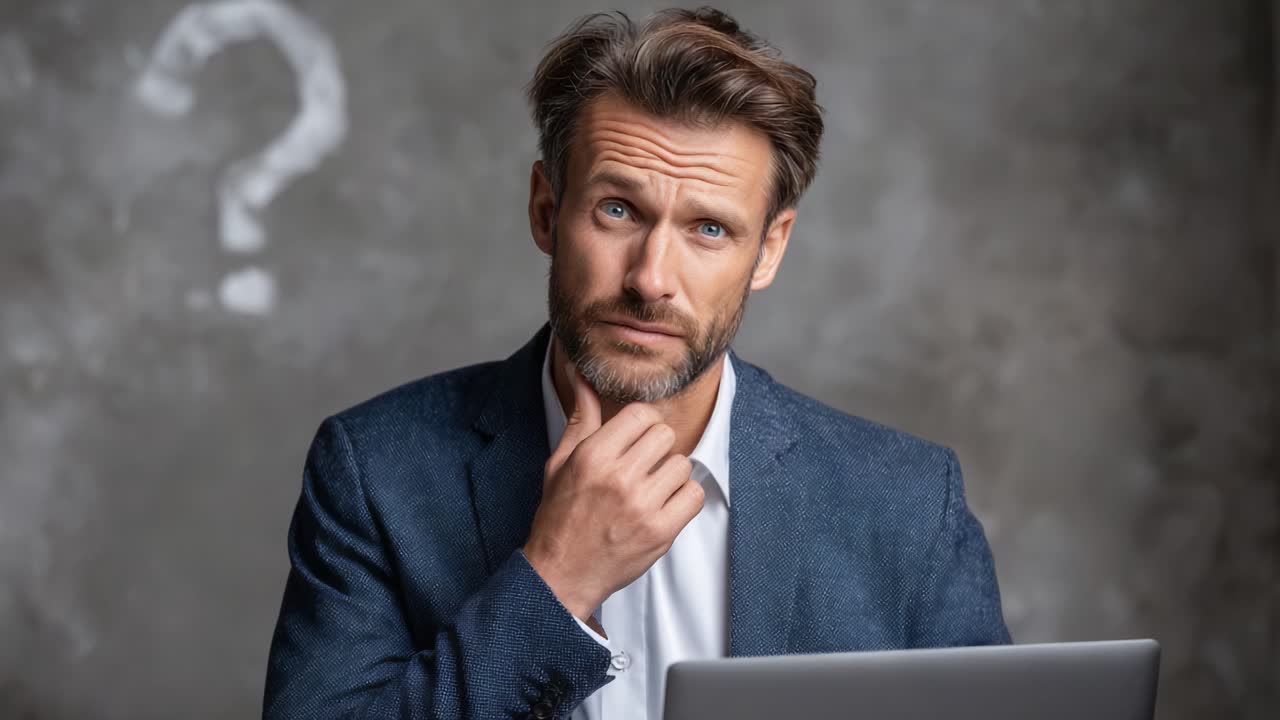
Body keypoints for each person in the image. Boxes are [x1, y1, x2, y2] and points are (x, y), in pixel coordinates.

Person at [262, 6, 1010, 720]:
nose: (651, 278)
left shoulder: (909, 507)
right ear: (545, 209)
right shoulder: (375, 473)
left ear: (770, 250)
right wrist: (554, 582)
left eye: (709, 228)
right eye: (618, 210)